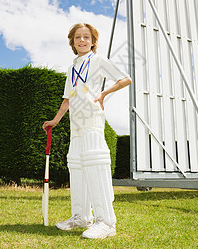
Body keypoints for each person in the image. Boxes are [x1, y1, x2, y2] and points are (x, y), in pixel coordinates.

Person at [42, 23, 131, 239]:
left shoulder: (98, 61)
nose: (82, 40)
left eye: (86, 37)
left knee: (95, 165)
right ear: (72, 42)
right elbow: (67, 99)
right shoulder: (72, 68)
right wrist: (54, 120)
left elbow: (125, 79)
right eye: (78, 37)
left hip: (92, 120)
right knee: (77, 166)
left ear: (93, 41)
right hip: (76, 125)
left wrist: (103, 94)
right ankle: (81, 217)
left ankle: (106, 222)